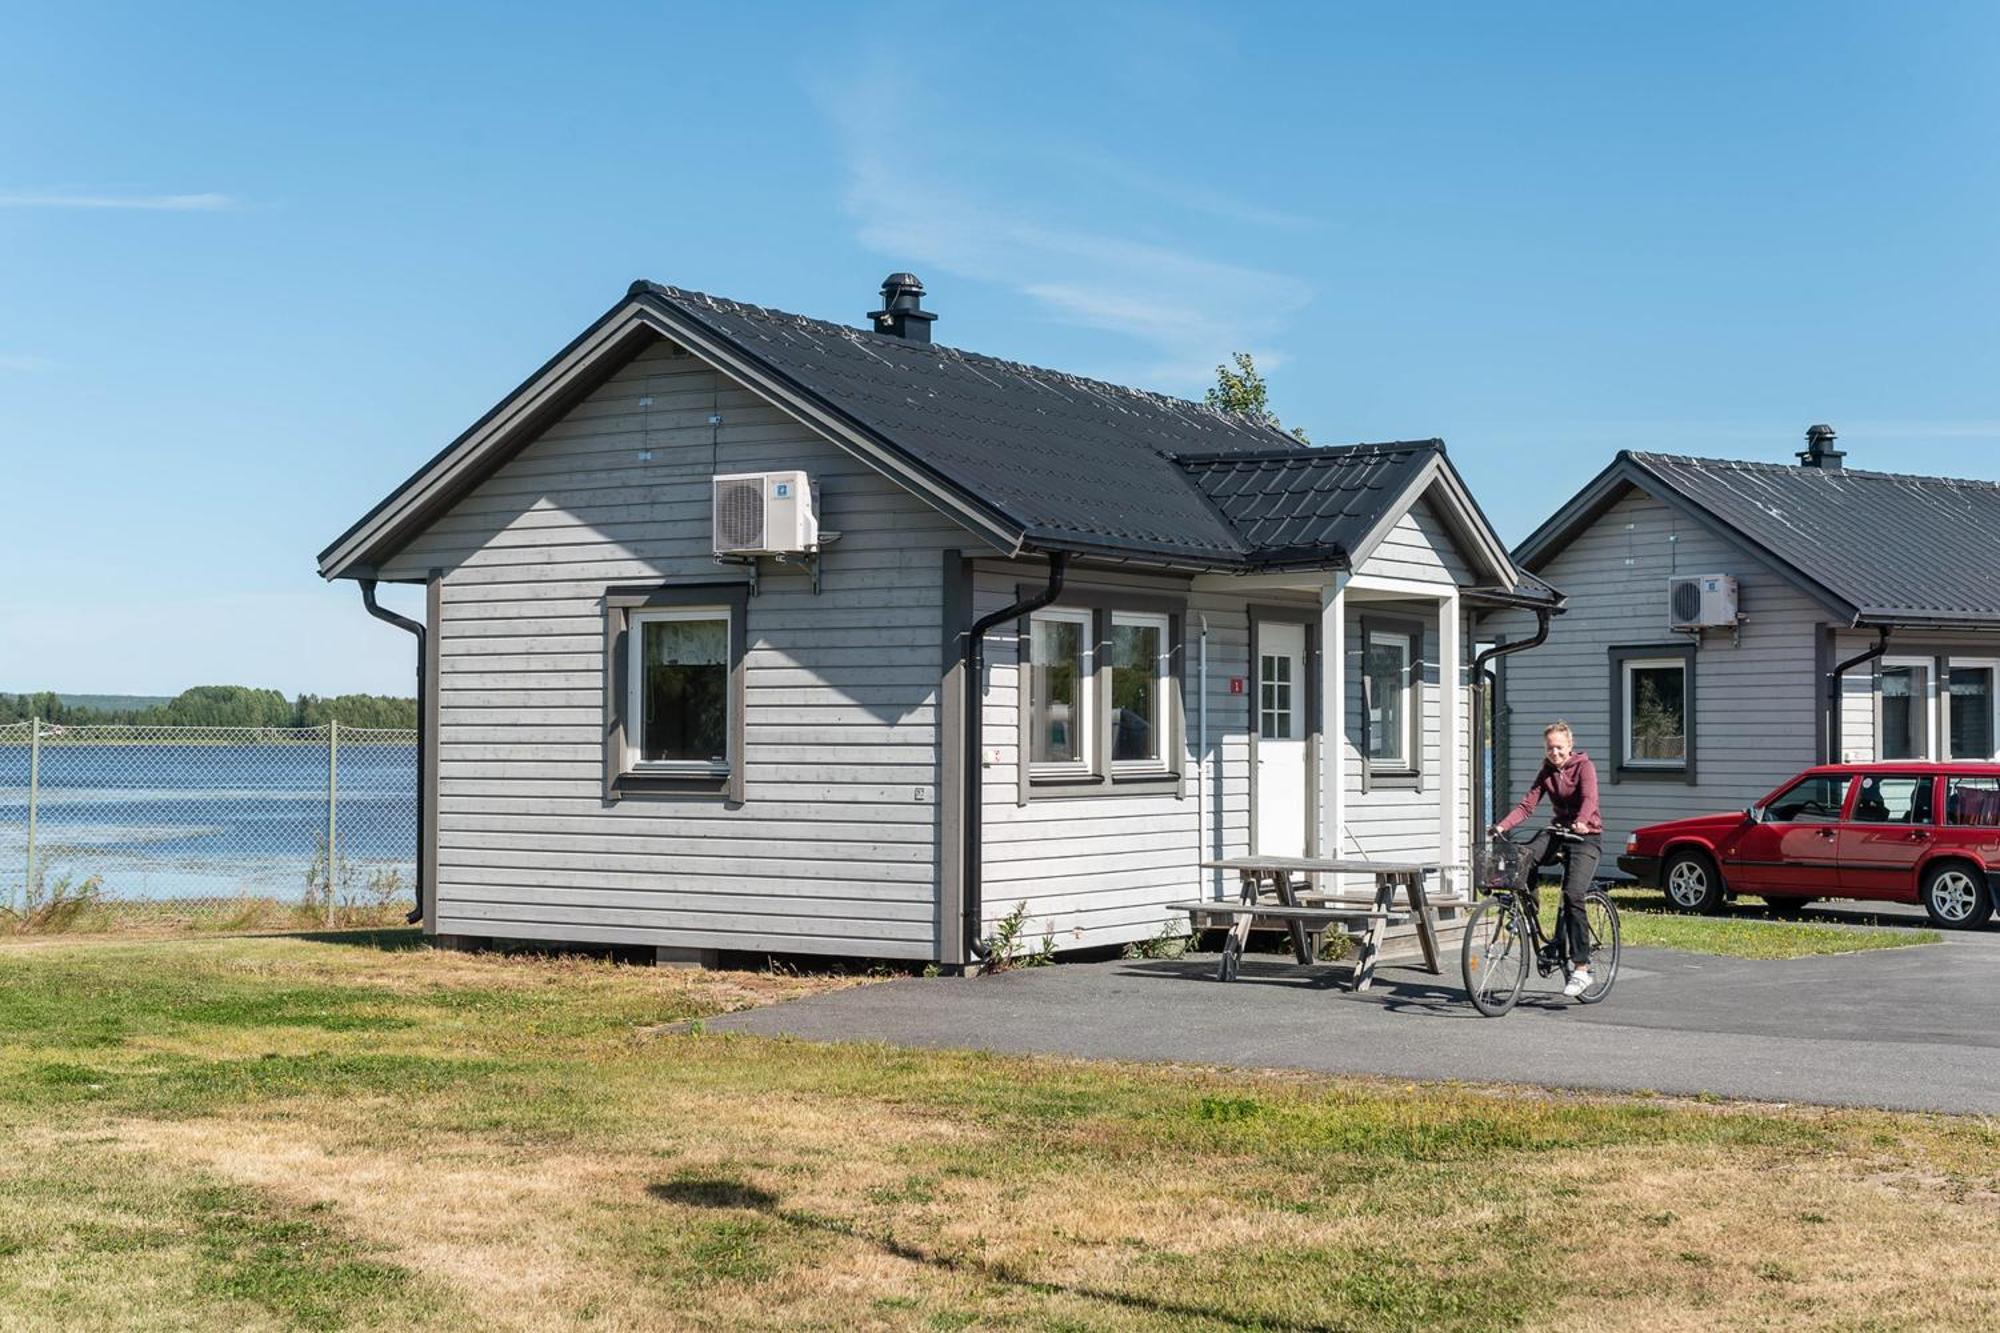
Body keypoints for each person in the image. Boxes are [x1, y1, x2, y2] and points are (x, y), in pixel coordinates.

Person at [1490, 721, 1602, 998]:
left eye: (1559, 747)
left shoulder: (1584, 767)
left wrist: (1581, 821)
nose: (1554, 752)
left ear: (1570, 746)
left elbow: (1590, 798)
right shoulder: (1547, 772)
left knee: (1572, 893)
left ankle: (1581, 967)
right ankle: (1531, 908)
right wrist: (1501, 826)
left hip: (1586, 835)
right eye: (1550, 747)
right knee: (1522, 855)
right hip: (1558, 833)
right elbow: (1527, 805)